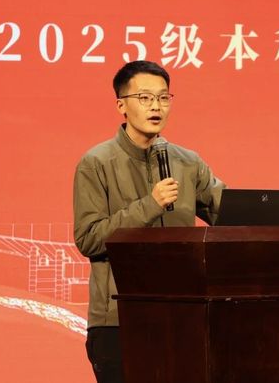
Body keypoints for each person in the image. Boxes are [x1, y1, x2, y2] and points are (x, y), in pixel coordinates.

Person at [73, 60, 225, 383]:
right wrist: (150, 205)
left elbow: (228, 213)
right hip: (118, 321)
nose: (156, 106)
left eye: (163, 97)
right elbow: (89, 238)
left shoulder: (187, 162)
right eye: (144, 98)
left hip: (183, 315)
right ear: (121, 105)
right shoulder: (96, 163)